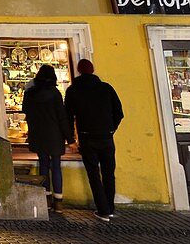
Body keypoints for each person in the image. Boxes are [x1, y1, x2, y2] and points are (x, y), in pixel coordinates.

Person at [65, 59, 124, 222]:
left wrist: (71, 139)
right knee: (108, 173)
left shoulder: (73, 90)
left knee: (93, 174)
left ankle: (103, 209)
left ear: (78, 71)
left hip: (87, 137)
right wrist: (111, 128)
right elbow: (119, 112)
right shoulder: (106, 88)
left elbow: (68, 116)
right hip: (106, 137)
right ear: (93, 70)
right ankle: (110, 207)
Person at [22, 64, 72, 211]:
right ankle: (59, 201)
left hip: (38, 134)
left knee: (43, 165)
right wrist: (70, 139)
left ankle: (46, 198)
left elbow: (25, 110)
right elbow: (62, 118)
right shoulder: (55, 93)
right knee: (56, 165)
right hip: (55, 134)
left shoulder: (31, 93)